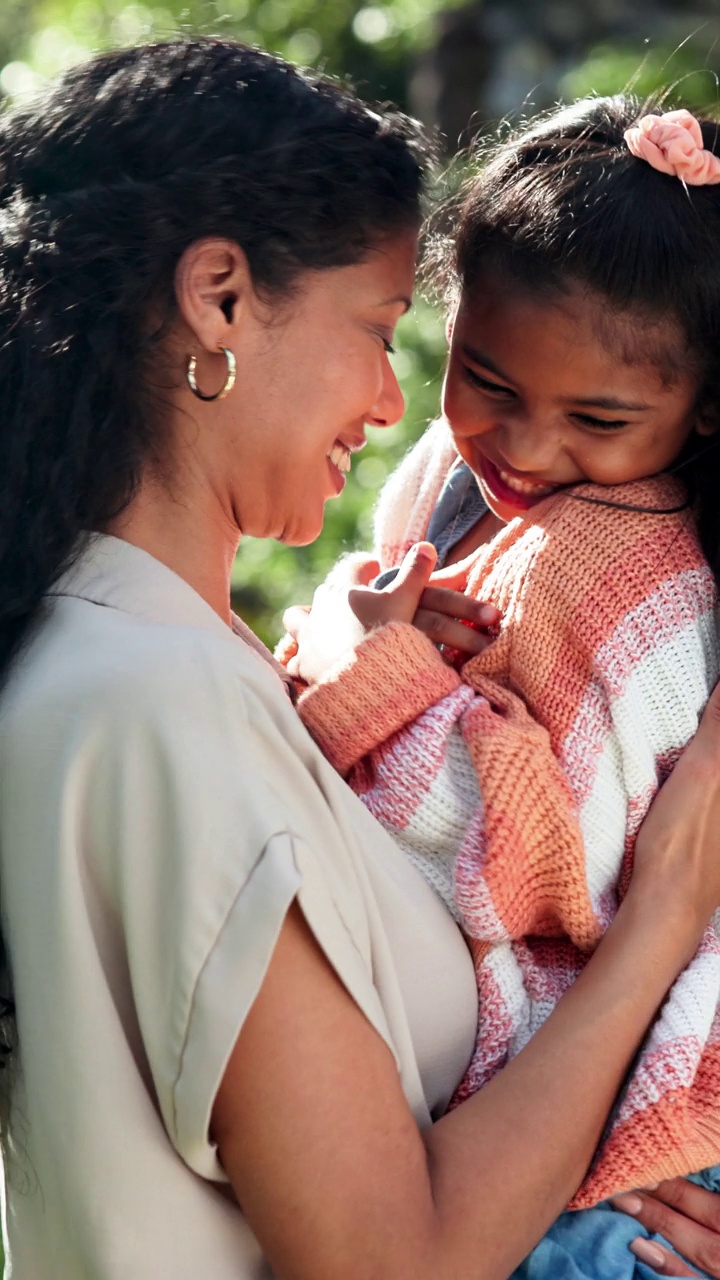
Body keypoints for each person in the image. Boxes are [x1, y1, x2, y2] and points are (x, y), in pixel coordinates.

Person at [1, 43, 720, 1280]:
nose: (396, 404)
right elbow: (394, 1261)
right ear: (220, 298)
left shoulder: (156, 658)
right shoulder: (155, 703)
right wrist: (665, 910)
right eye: (381, 330)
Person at [282, 100, 720, 1275]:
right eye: (485, 378)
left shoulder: (612, 565)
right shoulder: (469, 487)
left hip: (612, 1169)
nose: (523, 443)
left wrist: (363, 674)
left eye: (598, 418)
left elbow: (533, 861)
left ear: (703, 407)